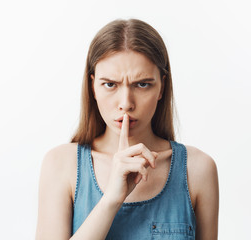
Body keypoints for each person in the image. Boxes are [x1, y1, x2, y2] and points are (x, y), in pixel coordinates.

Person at [35, 18, 219, 240]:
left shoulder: (197, 170)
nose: (126, 103)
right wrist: (112, 198)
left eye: (142, 84)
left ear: (162, 87)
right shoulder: (61, 165)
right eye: (110, 84)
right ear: (93, 86)